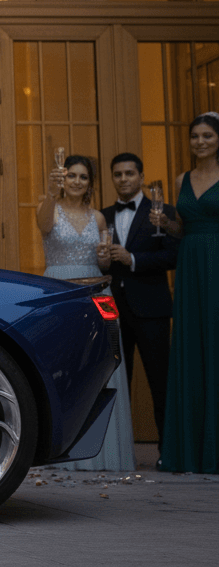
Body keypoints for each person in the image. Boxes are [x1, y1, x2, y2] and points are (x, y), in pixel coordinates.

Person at [38, 154, 134, 471]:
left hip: (97, 293)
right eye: (72, 176)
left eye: (83, 177)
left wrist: (106, 258)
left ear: (90, 183)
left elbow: (104, 264)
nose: (77, 182)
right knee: (64, 366)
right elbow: (43, 225)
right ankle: (59, 453)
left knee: (101, 365)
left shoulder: (99, 219)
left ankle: (106, 453)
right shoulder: (48, 207)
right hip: (61, 293)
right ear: (62, 180)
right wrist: (51, 192)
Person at [154, 112, 219, 473]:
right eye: (195, 136)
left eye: (207, 135)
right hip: (190, 265)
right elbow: (182, 228)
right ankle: (190, 449)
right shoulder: (182, 178)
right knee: (192, 348)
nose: (200, 142)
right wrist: (167, 224)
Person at [101, 152, 178, 447]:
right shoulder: (103, 215)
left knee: (161, 382)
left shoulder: (163, 213)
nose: (123, 179)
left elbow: (172, 256)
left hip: (152, 309)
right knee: (117, 382)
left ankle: (168, 449)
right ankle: (119, 449)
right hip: (113, 311)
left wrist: (133, 259)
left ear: (141, 178)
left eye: (129, 174)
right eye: (118, 174)